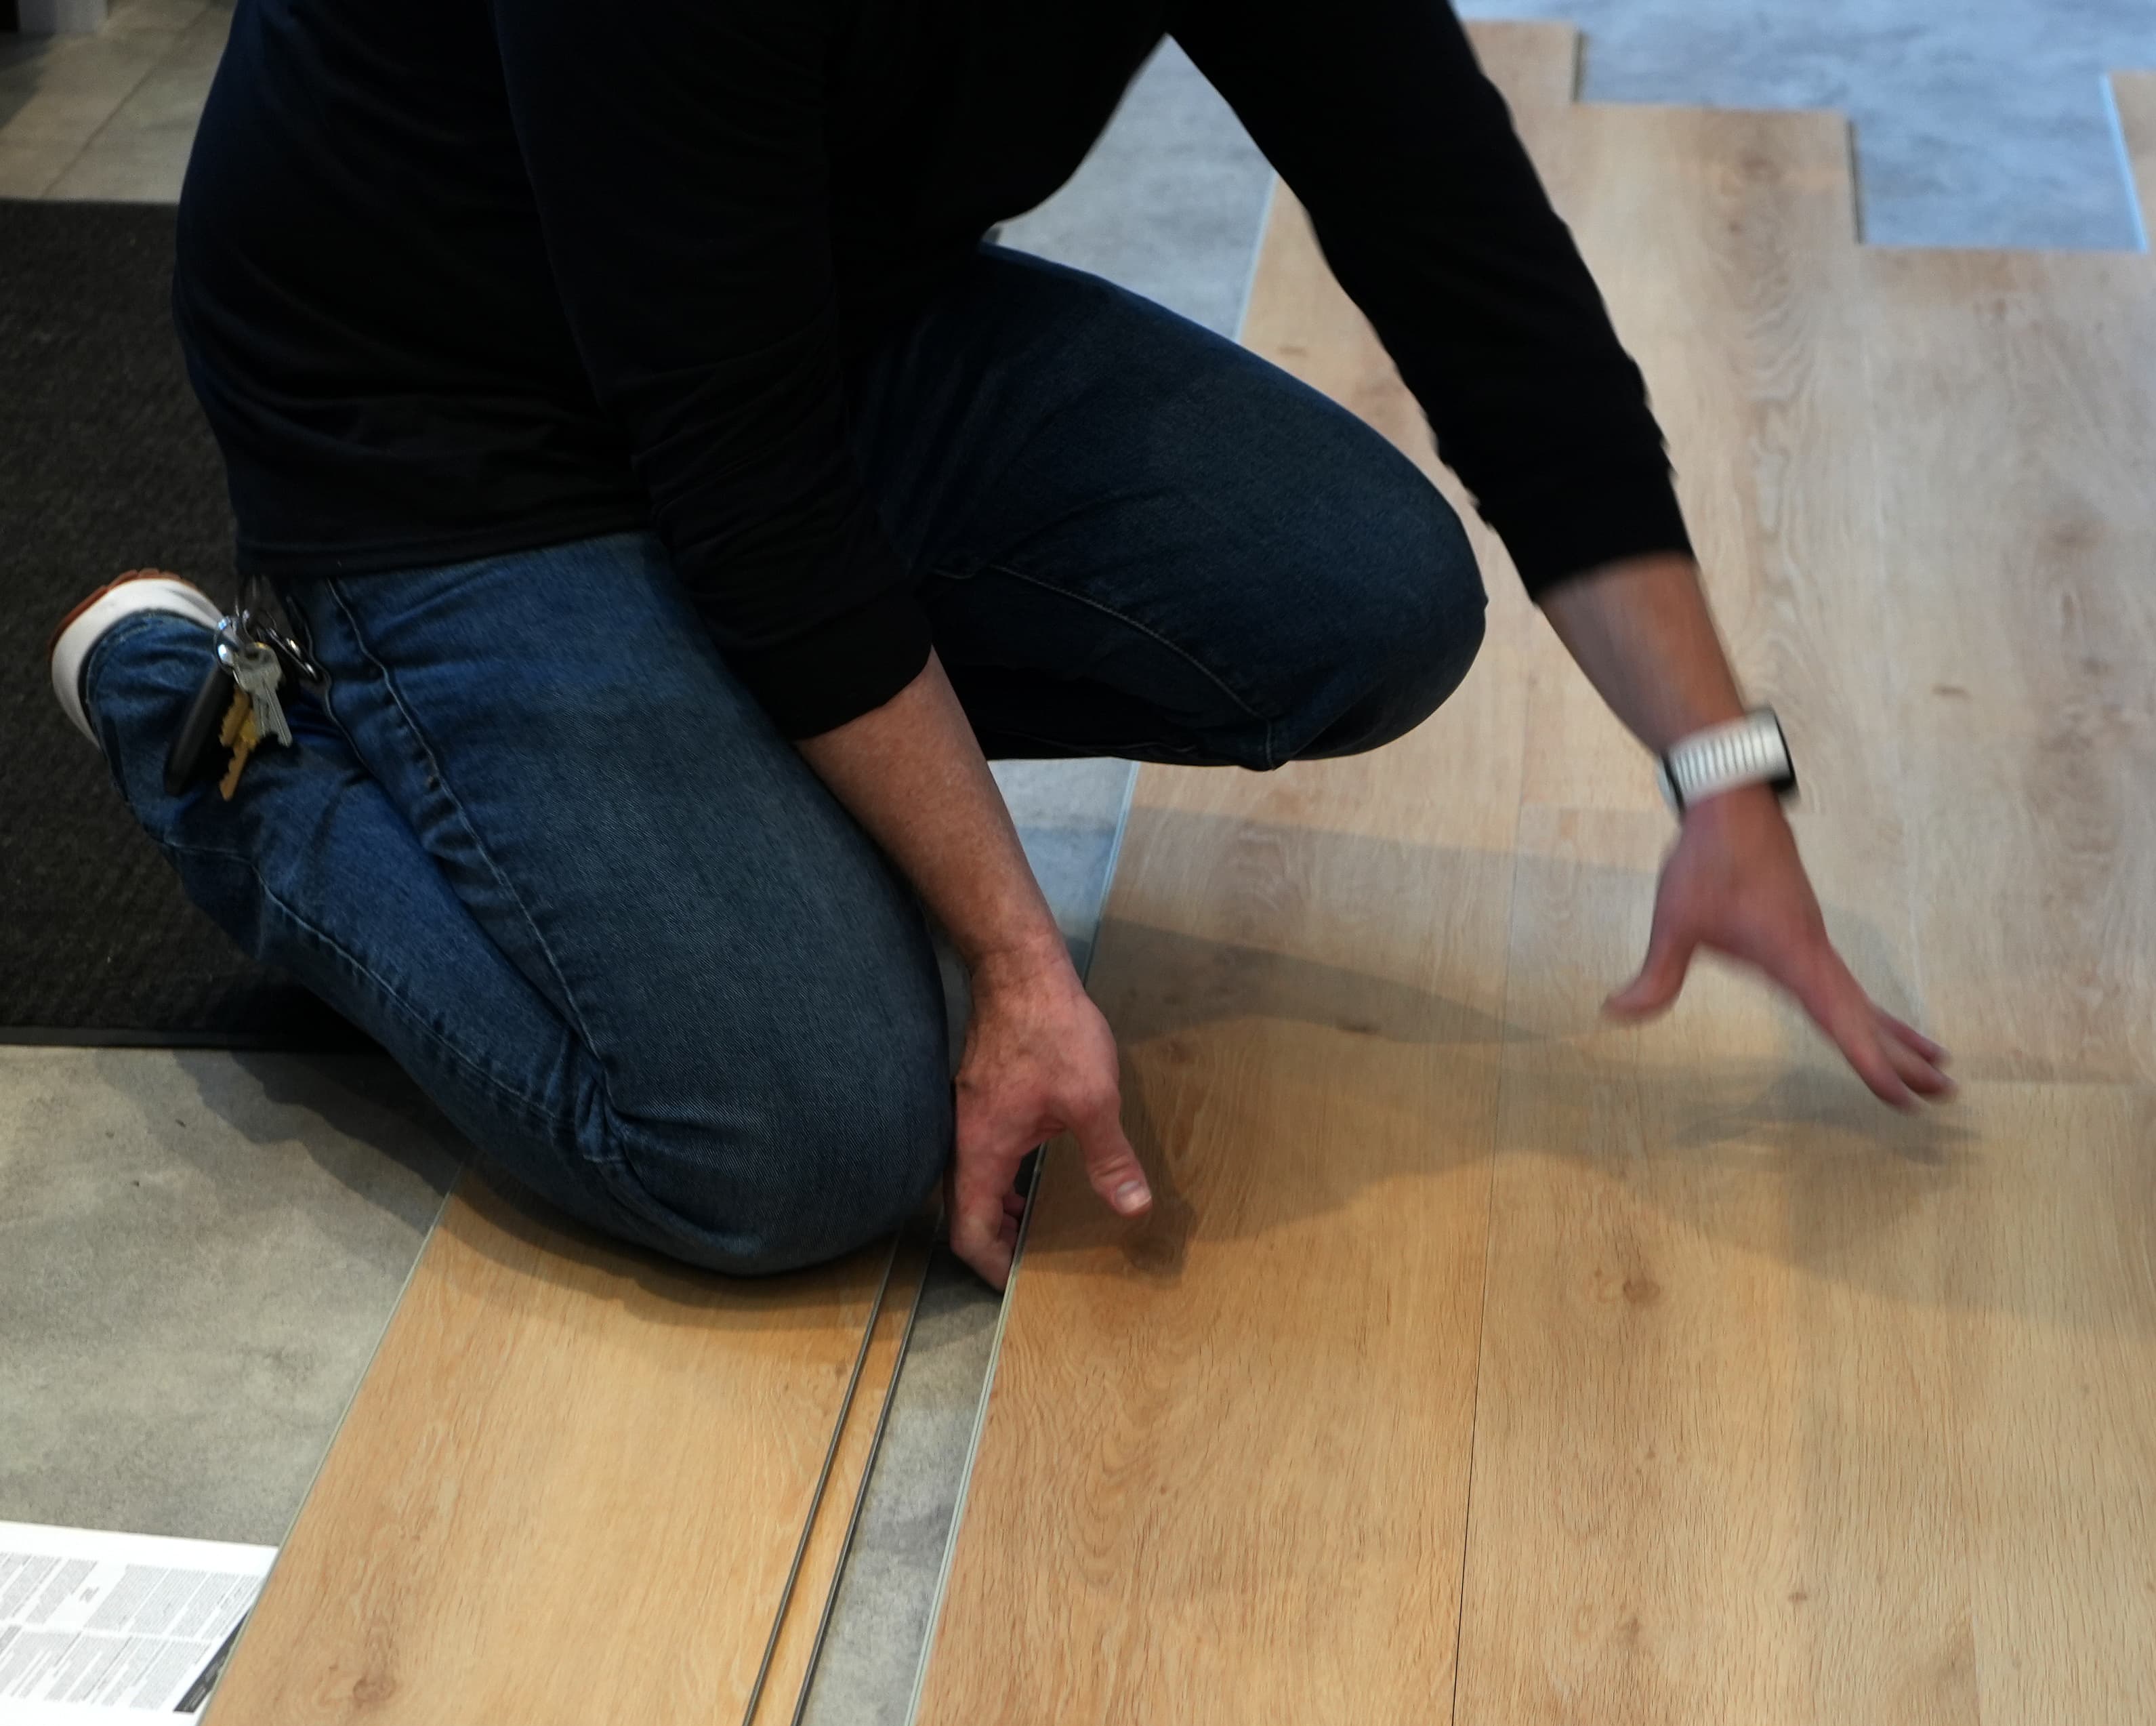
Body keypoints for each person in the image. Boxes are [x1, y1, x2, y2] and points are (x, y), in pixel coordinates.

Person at [50, 0, 1949, 1286]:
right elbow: (745, 482)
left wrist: (1719, 773)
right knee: (795, 1137)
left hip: (815, 337)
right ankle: (234, 742)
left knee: (1361, 598)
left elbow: (1470, 260)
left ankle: (697, 767)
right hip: (445, 428)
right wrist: (1015, 957)